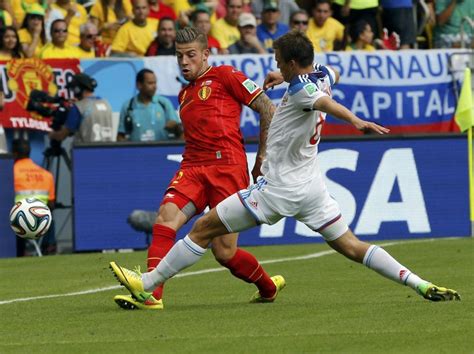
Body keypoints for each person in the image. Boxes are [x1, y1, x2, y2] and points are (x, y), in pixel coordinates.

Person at [110, 31, 461, 306]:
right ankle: (420, 283)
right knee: (354, 247)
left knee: (202, 229)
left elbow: (322, 101)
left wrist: (355, 119)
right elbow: (329, 74)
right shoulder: (320, 75)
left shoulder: (305, 92)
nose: (274, 65)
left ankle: (148, 284)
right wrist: (283, 75)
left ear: (292, 63)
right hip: (312, 191)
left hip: (277, 191)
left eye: (279, 60)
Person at [111, 27, 280, 311]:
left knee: (224, 252)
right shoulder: (184, 94)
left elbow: (267, 108)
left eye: (191, 55)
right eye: (179, 56)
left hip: (227, 165)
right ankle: (150, 294)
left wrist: (262, 156)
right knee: (165, 218)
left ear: (205, 54)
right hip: (192, 166)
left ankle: (268, 286)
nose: (185, 61)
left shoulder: (226, 75)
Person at [12, 138, 56, 256]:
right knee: (49, 216)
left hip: (19, 223)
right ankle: (49, 247)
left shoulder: (10, 173)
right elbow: (51, 204)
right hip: (41, 223)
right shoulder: (47, 175)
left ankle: (21, 252)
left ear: (14, 153)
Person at [117, 69, 181, 142]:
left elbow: (180, 133)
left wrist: (175, 127)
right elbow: (120, 136)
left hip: (162, 151)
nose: (155, 86)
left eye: (155, 83)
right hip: (136, 152)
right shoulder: (128, 106)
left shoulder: (164, 103)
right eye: (150, 83)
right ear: (139, 85)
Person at [49, 73, 114, 143]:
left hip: (86, 152)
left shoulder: (78, 108)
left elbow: (61, 136)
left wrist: (51, 134)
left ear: (77, 89)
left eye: (73, 89)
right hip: (108, 151)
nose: (73, 93)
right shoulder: (106, 104)